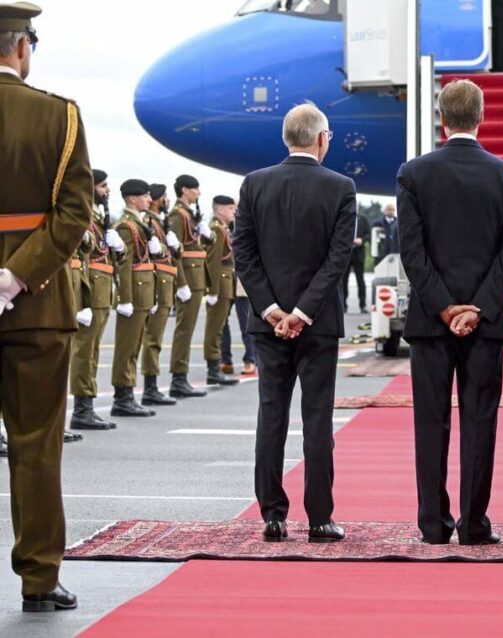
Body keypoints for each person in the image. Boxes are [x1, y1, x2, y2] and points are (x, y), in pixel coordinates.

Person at [398, 79, 503, 545]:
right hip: (486, 323)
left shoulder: (413, 174)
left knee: (430, 424)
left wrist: (442, 306)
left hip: (429, 325)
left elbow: (411, 253)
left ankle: (433, 525)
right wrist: (478, 308)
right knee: (480, 423)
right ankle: (474, 525)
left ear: (442, 118)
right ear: (482, 116)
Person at [0, 1, 92, 610]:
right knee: (35, 445)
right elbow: (74, 213)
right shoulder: (58, 115)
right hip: (34, 305)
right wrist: (12, 277)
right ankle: (39, 579)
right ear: (22, 47)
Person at [234, 103, 354, 544]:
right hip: (318, 324)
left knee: (272, 417)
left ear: (286, 137)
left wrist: (271, 310)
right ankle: (319, 518)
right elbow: (338, 259)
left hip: (267, 326)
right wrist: (303, 313)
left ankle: (272, 515)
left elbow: (243, 253)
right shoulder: (340, 187)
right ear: (321, 139)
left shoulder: (254, 184)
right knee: (318, 420)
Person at [68, 168, 122, 432]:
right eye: (102, 186)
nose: (107, 190)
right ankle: (81, 409)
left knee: (92, 352)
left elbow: (101, 255)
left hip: (100, 290)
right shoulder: (80, 214)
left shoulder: (97, 216)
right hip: (85, 290)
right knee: (82, 352)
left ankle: (85, 407)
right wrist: (81, 300)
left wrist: (117, 248)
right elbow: (81, 260)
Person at [110, 179, 161, 418]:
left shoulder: (138, 223)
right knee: (127, 347)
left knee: (135, 346)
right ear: (132, 198)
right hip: (135, 294)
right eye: (144, 196)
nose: (149, 200)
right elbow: (125, 265)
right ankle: (122, 397)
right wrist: (125, 299)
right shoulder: (126, 226)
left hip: (144, 293)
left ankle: (127, 396)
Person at [167, 174, 212, 398]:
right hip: (189, 279)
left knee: (188, 329)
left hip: (196, 278)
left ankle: (180, 376)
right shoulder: (177, 215)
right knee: (184, 330)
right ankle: (178, 377)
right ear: (185, 190)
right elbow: (175, 252)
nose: (198, 193)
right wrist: (181, 283)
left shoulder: (189, 214)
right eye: (195, 189)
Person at [139, 183, 181, 407]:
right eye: (163, 196)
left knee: (156, 338)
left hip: (164, 282)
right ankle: (149, 387)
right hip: (155, 284)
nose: (166, 199)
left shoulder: (158, 221)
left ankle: (151, 386)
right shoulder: (148, 222)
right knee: (152, 338)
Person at [204, 195, 240, 386]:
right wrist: (213, 291)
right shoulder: (217, 229)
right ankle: (213, 368)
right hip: (220, 283)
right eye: (230, 209)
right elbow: (213, 261)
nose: (234, 212)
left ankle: (215, 367)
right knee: (215, 328)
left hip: (227, 282)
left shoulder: (223, 228)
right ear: (220, 210)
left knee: (219, 328)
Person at [341, 211, 369, 312]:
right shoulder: (345, 217)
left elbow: (368, 234)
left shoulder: (363, 219)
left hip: (359, 253)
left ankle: (362, 305)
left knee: (360, 280)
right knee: (343, 280)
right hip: (346, 253)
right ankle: (343, 305)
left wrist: (362, 240)